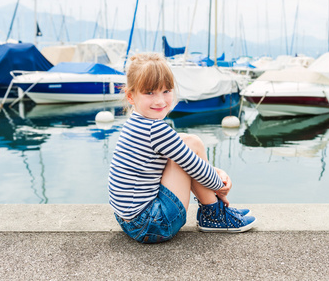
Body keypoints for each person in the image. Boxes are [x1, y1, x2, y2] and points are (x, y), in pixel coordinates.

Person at [108, 53, 256, 244]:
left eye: (166, 91)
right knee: (191, 146)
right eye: (150, 93)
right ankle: (214, 214)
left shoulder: (134, 123)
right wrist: (220, 187)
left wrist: (215, 171)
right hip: (152, 225)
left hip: (128, 220)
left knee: (188, 141)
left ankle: (213, 211)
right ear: (130, 96)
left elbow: (183, 154)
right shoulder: (155, 129)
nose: (160, 101)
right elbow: (192, 164)